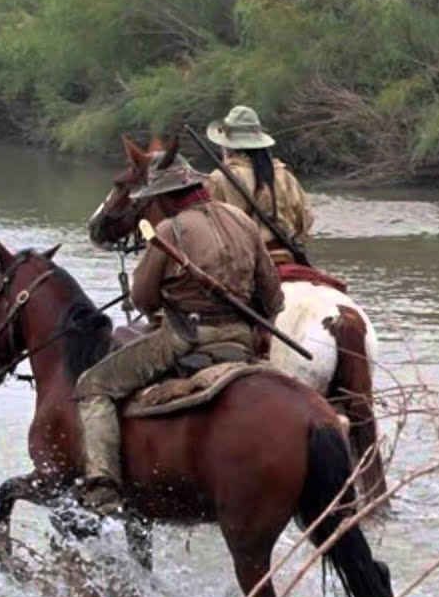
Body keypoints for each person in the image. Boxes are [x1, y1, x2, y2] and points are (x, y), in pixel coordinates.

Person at [75, 153, 284, 515]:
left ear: (164, 197)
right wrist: (260, 332)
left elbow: (142, 298)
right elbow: (273, 296)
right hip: (240, 336)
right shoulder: (242, 221)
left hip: (185, 336)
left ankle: (103, 486)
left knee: (92, 386)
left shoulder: (169, 231)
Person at [205, 105, 314, 265]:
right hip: (284, 253)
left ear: (228, 145)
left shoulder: (219, 178)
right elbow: (306, 219)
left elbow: (210, 229)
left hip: (242, 260)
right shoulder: (284, 175)